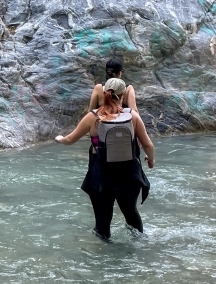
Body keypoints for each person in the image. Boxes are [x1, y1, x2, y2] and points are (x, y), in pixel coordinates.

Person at [57, 77, 155, 241]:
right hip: (129, 175)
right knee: (131, 212)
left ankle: (104, 253)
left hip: (101, 177)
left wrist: (59, 138)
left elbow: (69, 140)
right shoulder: (133, 117)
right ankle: (139, 243)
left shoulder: (92, 117)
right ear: (123, 95)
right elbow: (148, 145)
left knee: (102, 221)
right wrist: (150, 160)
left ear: (104, 94)